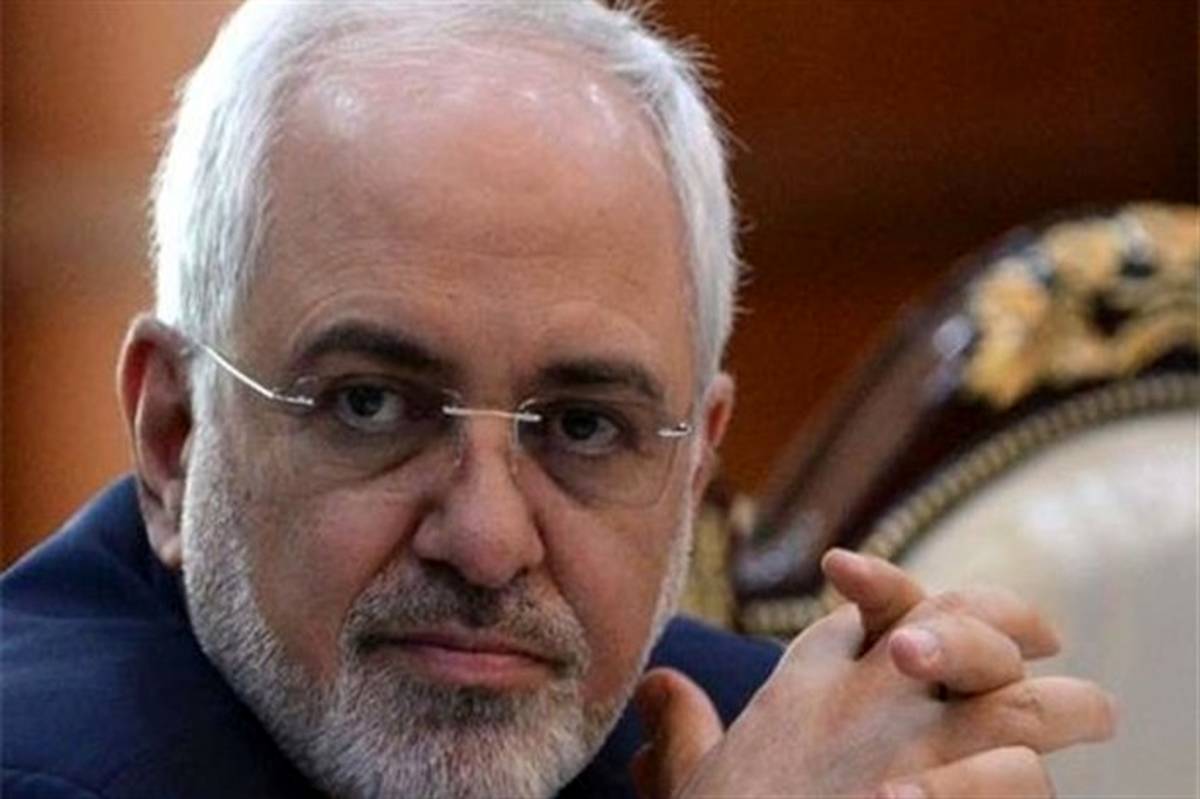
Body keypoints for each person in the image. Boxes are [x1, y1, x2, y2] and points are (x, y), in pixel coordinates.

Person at [0, 2, 1115, 798]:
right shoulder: (41, 760)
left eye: (585, 427)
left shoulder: (775, 735)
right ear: (176, 436)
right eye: (372, 406)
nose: (488, 542)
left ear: (692, 466)